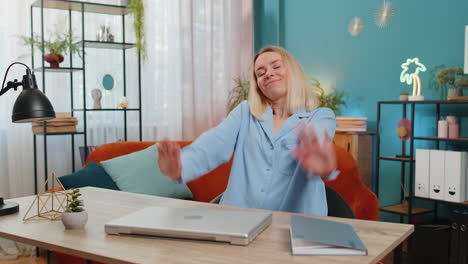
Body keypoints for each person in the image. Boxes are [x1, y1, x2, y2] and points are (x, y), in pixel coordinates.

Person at [157, 46, 338, 216]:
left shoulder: (321, 116)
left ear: (294, 72)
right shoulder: (245, 112)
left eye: (276, 66)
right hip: (238, 221)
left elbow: (320, 139)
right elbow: (214, 144)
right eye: (261, 73)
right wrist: (182, 166)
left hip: (295, 225)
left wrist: (322, 163)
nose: (268, 74)